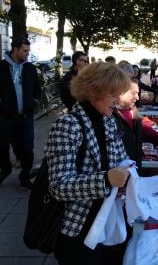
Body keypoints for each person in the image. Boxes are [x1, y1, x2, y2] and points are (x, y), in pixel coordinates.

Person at [45, 62, 131, 265]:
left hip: (109, 219)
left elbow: (121, 160)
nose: (118, 100)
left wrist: (124, 183)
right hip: (78, 226)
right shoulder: (67, 125)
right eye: (113, 94)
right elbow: (58, 186)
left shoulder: (108, 119)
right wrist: (106, 179)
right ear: (94, 91)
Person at [0, 38, 41, 189]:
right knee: (2, 145)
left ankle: (25, 177)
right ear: (15, 49)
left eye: (28, 51)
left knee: (28, 148)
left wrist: (34, 101)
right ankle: (5, 170)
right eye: (25, 51)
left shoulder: (30, 68)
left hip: (26, 116)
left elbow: (37, 88)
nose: (27, 54)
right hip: (6, 116)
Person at [114, 78, 158, 171]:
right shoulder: (110, 114)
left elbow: (141, 129)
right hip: (120, 171)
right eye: (134, 93)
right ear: (121, 92)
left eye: (137, 93)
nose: (137, 97)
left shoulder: (132, 109)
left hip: (134, 165)